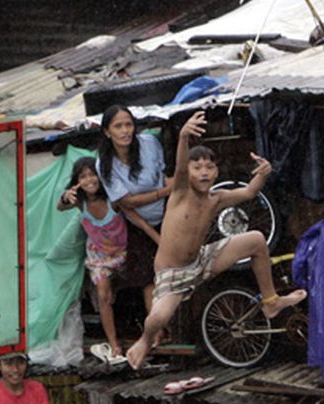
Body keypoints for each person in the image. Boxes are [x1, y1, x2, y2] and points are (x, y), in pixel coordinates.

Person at [125, 111, 307, 369]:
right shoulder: (180, 192)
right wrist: (184, 136)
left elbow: (250, 191)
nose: (204, 172)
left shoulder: (216, 198)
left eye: (209, 167)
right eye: (197, 167)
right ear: (187, 173)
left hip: (202, 260)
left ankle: (270, 301)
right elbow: (178, 166)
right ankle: (144, 341)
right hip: (172, 274)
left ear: (216, 172)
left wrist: (264, 172)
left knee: (256, 239)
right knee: (159, 317)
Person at [57, 157, 158, 361]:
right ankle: (114, 344)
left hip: (123, 253)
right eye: (83, 176)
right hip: (99, 255)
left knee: (146, 284)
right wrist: (65, 196)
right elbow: (60, 207)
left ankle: (155, 333)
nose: (89, 180)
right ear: (77, 182)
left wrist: (160, 241)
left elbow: (140, 222)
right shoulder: (80, 203)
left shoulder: (114, 201)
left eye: (92, 174)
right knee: (103, 295)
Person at [95, 105, 171, 316]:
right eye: (118, 126)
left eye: (129, 124)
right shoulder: (104, 164)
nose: (125, 131)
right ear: (107, 132)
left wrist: (168, 191)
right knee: (148, 277)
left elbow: (164, 175)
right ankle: (157, 330)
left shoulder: (149, 143)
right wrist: (162, 192)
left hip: (169, 212)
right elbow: (126, 203)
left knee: (174, 269)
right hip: (137, 223)